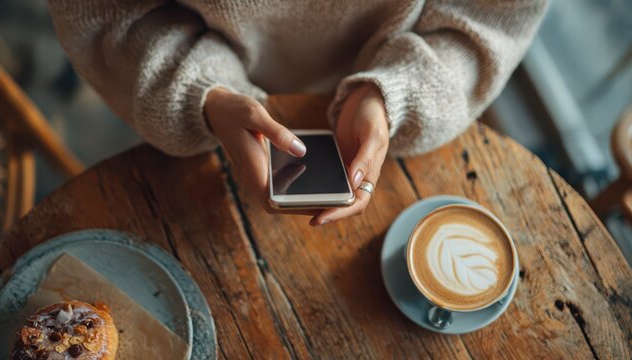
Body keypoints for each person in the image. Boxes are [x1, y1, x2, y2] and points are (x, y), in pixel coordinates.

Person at [47, 0, 547, 226]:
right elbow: (109, 14)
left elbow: (490, 22)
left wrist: (390, 95)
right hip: (191, 96)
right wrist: (207, 92)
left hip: (400, 89)